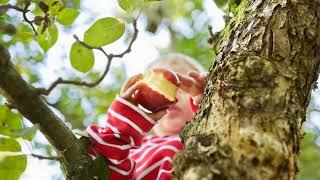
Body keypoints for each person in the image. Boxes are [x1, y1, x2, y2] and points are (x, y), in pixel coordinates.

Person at [85, 53, 207, 179]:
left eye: (182, 88)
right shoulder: (132, 150)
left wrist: (207, 101)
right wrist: (122, 130)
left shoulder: (208, 138)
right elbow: (96, 171)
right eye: (155, 87)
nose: (174, 96)